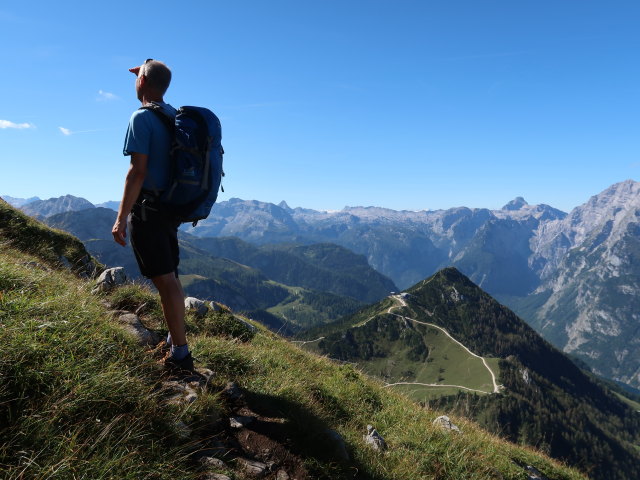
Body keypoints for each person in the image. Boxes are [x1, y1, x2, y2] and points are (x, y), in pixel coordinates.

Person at [111, 59, 193, 373]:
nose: (133, 82)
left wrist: (120, 218)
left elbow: (137, 172)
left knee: (164, 280)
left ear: (143, 81)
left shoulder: (142, 118)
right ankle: (177, 342)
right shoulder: (174, 117)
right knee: (170, 276)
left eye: (136, 77)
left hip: (149, 209)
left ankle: (181, 354)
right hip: (171, 209)